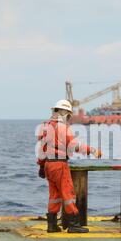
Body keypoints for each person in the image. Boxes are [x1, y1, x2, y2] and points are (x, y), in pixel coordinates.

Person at [37, 100, 102, 233]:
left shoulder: (45, 127)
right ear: (63, 113)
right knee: (68, 194)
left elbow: (41, 149)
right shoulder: (62, 127)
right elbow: (73, 145)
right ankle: (73, 225)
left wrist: (41, 166)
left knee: (54, 195)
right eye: (68, 115)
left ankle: (52, 225)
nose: (68, 118)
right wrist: (92, 150)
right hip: (59, 164)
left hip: (48, 165)